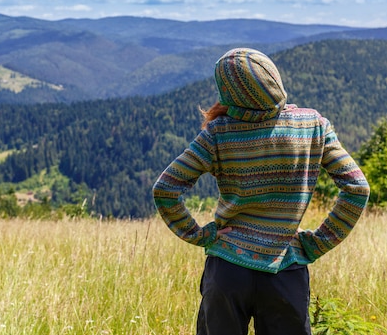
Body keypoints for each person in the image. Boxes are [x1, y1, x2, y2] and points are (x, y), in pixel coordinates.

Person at [152, 48, 370, 335]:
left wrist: (199, 234)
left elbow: (165, 189)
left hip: (227, 270)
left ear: (230, 93)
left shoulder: (219, 133)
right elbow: (357, 188)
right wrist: (318, 243)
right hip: (285, 270)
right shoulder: (313, 125)